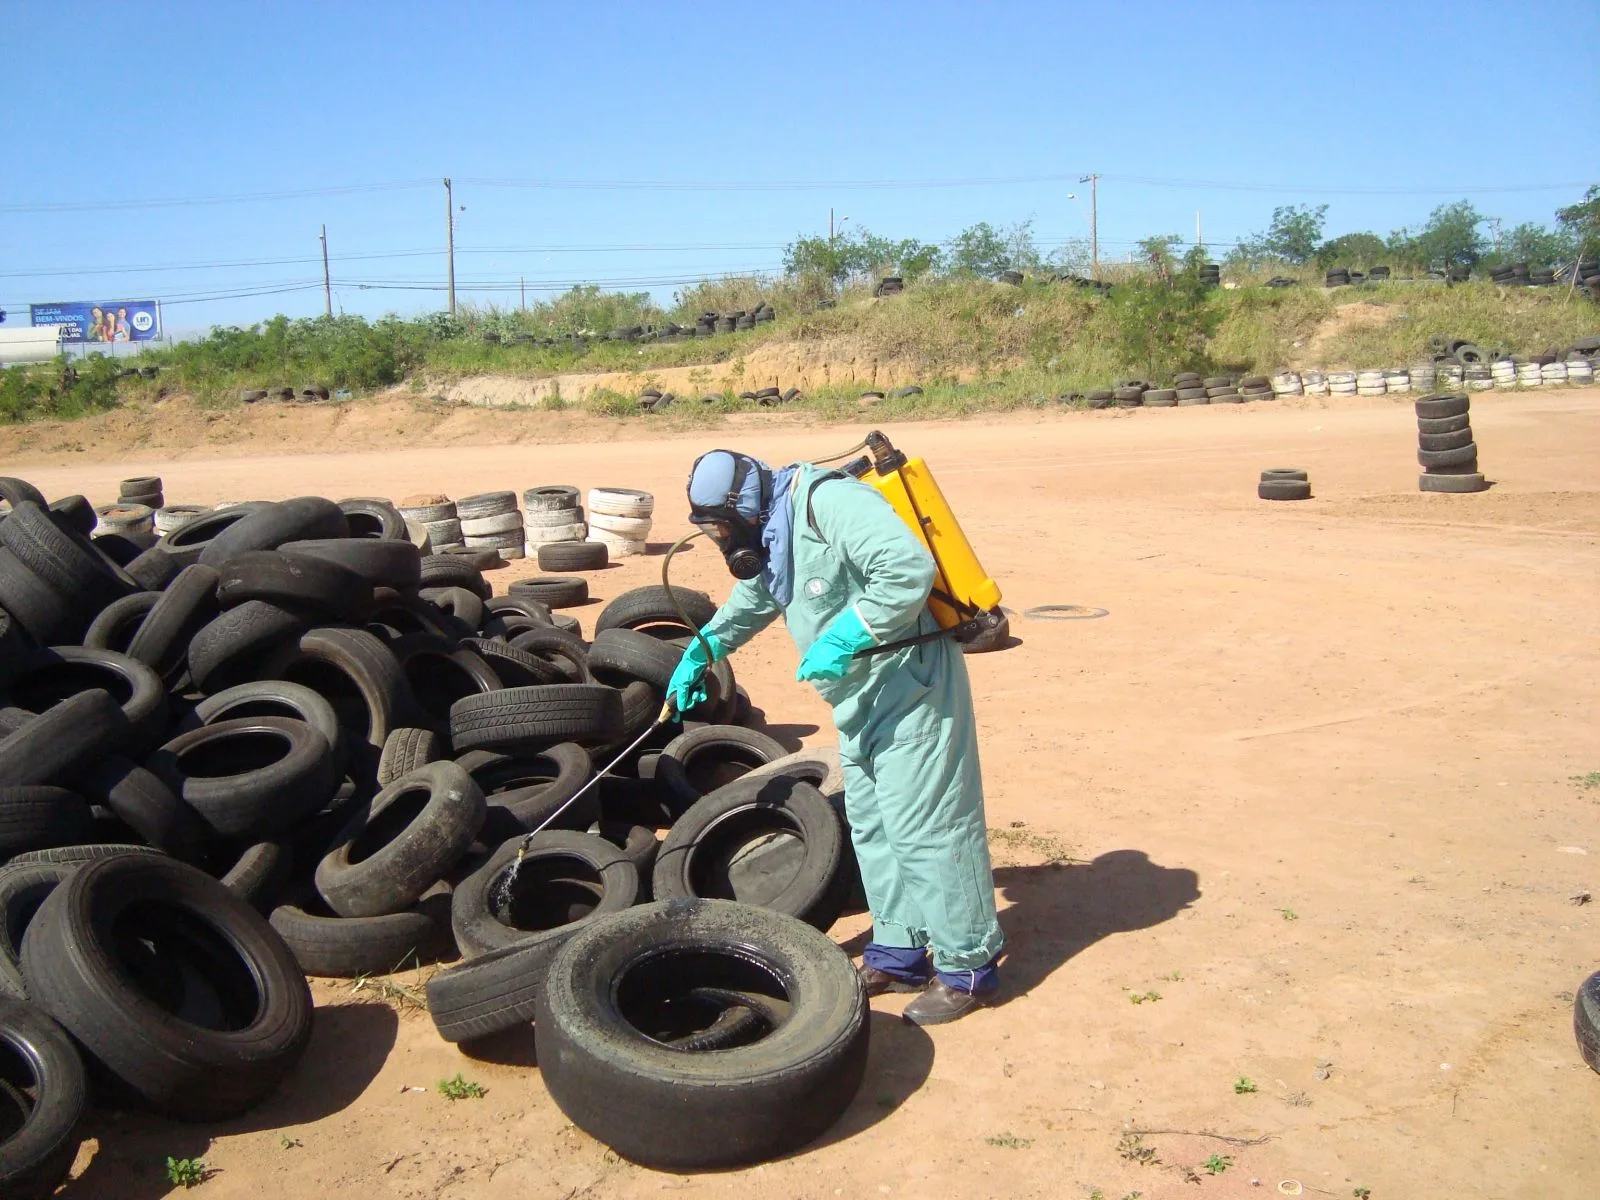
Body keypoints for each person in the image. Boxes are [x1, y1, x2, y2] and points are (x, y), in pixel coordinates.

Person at [667, 448, 1004, 1025]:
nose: (720, 539)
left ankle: (968, 966)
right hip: (857, 695)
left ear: (743, 505)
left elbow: (906, 570)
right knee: (873, 822)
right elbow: (757, 597)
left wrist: (847, 634)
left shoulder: (830, 504)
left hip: (911, 683)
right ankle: (899, 951)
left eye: (721, 525)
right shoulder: (773, 531)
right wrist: (704, 649)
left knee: (927, 823)